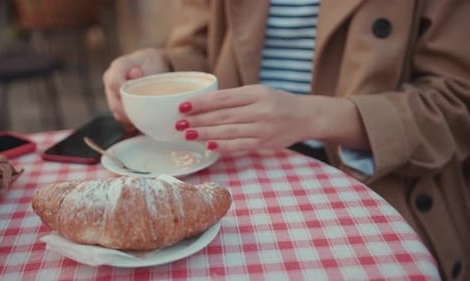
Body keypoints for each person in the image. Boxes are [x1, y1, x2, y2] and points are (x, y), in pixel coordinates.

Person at [103, 1, 470, 280]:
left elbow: (457, 102)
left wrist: (313, 116)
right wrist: (158, 66)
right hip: (228, 165)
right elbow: (202, 51)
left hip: (373, 182)